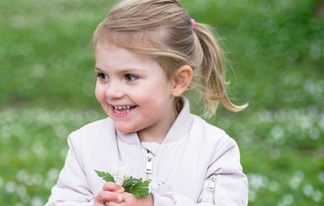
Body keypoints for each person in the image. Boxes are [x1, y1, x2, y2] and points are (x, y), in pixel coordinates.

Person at [46, 0, 248, 205]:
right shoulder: (85, 144)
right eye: (103, 75)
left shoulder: (214, 150)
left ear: (177, 81)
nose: (112, 92)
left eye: (130, 77)